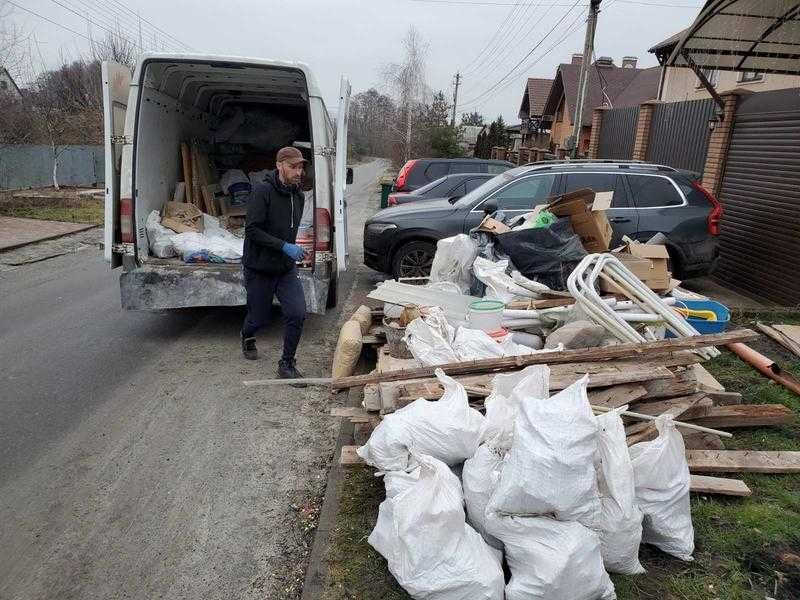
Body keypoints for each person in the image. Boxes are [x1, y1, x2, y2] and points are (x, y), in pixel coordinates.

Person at [241, 146, 308, 380]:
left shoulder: (298, 196)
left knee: (297, 312)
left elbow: (288, 230)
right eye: (293, 166)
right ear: (279, 165)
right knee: (259, 317)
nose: (298, 172)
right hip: (259, 267)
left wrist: (295, 249)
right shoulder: (263, 191)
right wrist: (283, 246)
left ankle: (286, 364)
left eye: (301, 167)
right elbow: (252, 230)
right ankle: (247, 334)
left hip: (285, 268)